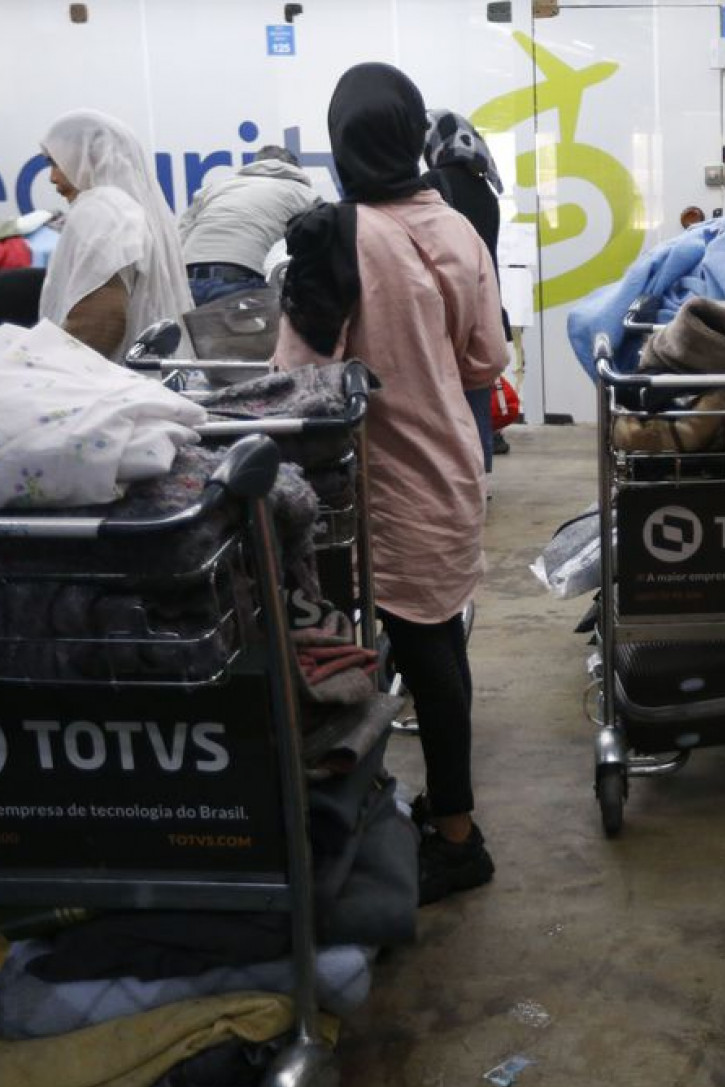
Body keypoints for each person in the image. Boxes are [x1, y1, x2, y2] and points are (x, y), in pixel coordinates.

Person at [275, 63, 509, 904]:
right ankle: (444, 820)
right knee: (437, 641)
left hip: (373, 482)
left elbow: (299, 381)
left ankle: (450, 837)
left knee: (375, 651)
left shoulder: (335, 235)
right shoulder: (455, 222)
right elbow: (487, 360)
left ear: (341, 144)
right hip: (448, 462)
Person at [37, 110, 193, 359]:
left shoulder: (101, 210)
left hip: (107, 383)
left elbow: (100, 322)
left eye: (56, 162)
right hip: (146, 379)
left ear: (87, 155)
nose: (52, 177)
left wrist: (60, 377)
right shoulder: (133, 208)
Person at [423, 108, 508, 469]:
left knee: (445, 396)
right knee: (476, 390)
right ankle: (480, 473)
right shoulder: (486, 189)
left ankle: (455, 473)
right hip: (486, 301)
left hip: (448, 303)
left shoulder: (434, 184)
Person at [178, 145, 321, 306]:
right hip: (242, 277)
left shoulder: (214, 188)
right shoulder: (304, 194)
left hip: (185, 279)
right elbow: (318, 251)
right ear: (296, 169)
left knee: (190, 332)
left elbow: (180, 235)